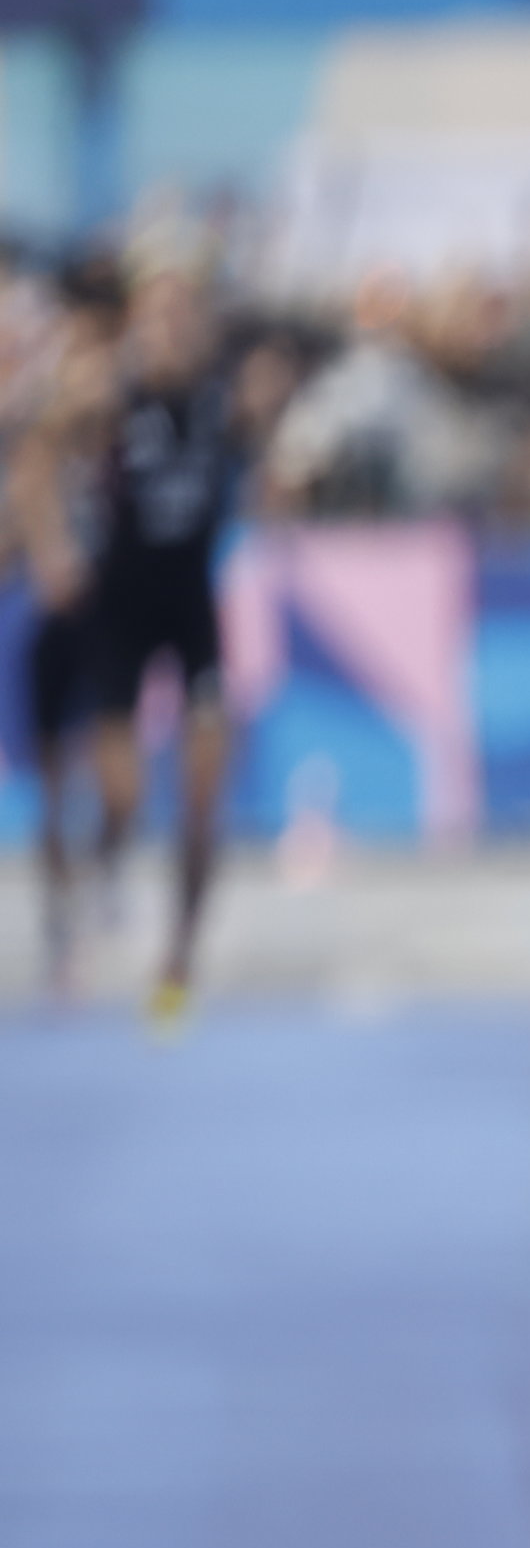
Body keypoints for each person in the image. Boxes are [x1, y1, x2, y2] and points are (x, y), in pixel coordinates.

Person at [60, 257, 277, 1028]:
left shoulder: (225, 403)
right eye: (158, 313)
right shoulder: (111, 400)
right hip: (120, 612)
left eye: (186, 312)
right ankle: (104, 872)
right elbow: (50, 440)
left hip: (193, 612)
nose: (173, 327)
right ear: (136, 326)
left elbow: (263, 465)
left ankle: (180, 957)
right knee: (121, 796)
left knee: (201, 800)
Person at [9, 280, 115, 997]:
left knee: (110, 768)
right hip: (49, 625)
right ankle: (60, 917)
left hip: (102, 622)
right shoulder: (32, 454)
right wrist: (48, 551)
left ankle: (100, 871)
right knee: (53, 780)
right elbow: (30, 509)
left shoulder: (115, 439)